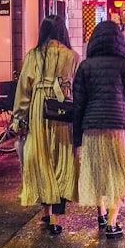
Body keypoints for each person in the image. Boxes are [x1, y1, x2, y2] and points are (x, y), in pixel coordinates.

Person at [72, 20, 125, 239]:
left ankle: (100, 214)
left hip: (91, 128)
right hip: (121, 128)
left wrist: (77, 140)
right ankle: (112, 222)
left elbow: (78, 105)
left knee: (98, 172)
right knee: (121, 176)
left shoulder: (85, 66)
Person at [10, 14, 80, 236]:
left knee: (41, 160)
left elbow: (23, 90)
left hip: (39, 111)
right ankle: (56, 217)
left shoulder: (32, 56)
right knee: (61, 160)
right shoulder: (72, 56)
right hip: (62, 111)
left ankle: (47, 213)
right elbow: (78, 89)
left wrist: (18, 119)